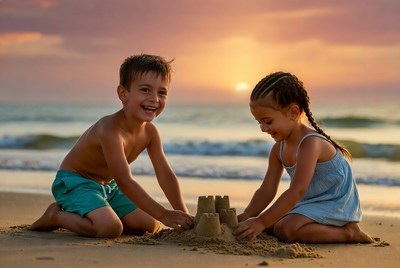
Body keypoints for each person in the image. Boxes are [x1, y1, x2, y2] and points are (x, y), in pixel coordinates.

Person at [30, 54, 194, 238]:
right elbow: (125, 179)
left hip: (110, 187)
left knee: (149, 225)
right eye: (145, 90)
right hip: (76, 183)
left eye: (162, 92)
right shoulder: (110, 130)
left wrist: (183, 214)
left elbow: (165, 175)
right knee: (110, 228)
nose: (155, 98)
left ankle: (100, 212)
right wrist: (164, 213)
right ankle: (57, 216)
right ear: (123, 94)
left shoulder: (151, 133)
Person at [233, 71, 373, 243]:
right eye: (259, 122)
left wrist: (261, 221)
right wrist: (250, 214)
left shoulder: (310, 144)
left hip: (334, 201)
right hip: (310, 202)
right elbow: (267, 189)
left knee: (285, 229)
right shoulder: (278, 150)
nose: (262, 128)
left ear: (293, 112)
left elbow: (297, 190)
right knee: (268, 226)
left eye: (268, 121)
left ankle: (349, 232)